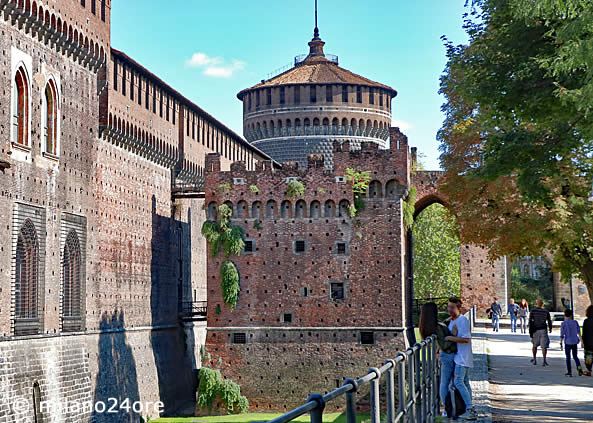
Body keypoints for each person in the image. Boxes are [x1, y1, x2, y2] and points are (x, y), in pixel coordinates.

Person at [419, 302, 458, 412]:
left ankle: (446, 407)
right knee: (448, 383)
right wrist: (454, 336)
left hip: (440, 356)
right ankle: (447, 408)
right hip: (448, 355)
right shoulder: (438, 327)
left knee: (444, 382)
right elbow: (444, 344)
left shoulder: (425, 327)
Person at [445, 297, 477, 421]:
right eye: (448, 307)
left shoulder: (462, 320)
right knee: (465, 382)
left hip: (462, 358)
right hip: (461, 357)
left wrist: (449, 338)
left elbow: (466, 339)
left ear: (459, 309)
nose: (449, 309)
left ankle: (470, 409)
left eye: (452, 307)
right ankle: (468, 408)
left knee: (459, 382)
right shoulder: (453, 321)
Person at [529, 299, 553, 366]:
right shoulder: (546, 311)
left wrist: (530, 332)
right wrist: (550, 328)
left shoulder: (533, 311)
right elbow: (549, 320)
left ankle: (534, 359)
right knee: (544, 346)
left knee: (534, 345)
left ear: (536, 304)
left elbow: (530, 321)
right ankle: (544, 360)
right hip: (543, 329)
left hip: (535, 329)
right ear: (542, 304)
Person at [560, 309, 583, 376]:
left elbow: (562, 334)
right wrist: (582, 342)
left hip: (567, 342)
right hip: (574, 341)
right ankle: (579, 367)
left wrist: (561, 342)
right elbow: (579, 333)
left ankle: (569, 371)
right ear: (571, 315)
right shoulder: (575, 322)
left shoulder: (563, 323)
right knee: (575, 356)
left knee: (568, 357)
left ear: (565, 315)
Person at [582, 305, 593, 376]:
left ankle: (589, 370)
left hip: (588, 343)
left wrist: (583, 342)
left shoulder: (586, 321)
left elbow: (584, 333)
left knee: (588, 357)